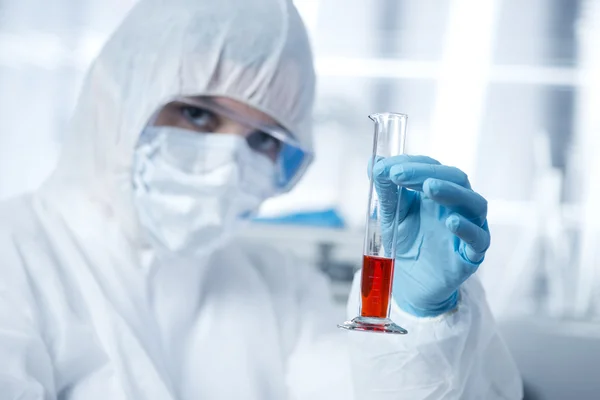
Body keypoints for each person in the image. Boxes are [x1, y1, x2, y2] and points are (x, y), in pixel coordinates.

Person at [0, 0, 523, 398]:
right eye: (198, 114)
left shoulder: (279, 287)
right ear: (118, 97)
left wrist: (416, 318)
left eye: (263, 139)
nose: (230, 158)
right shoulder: (15, 256)